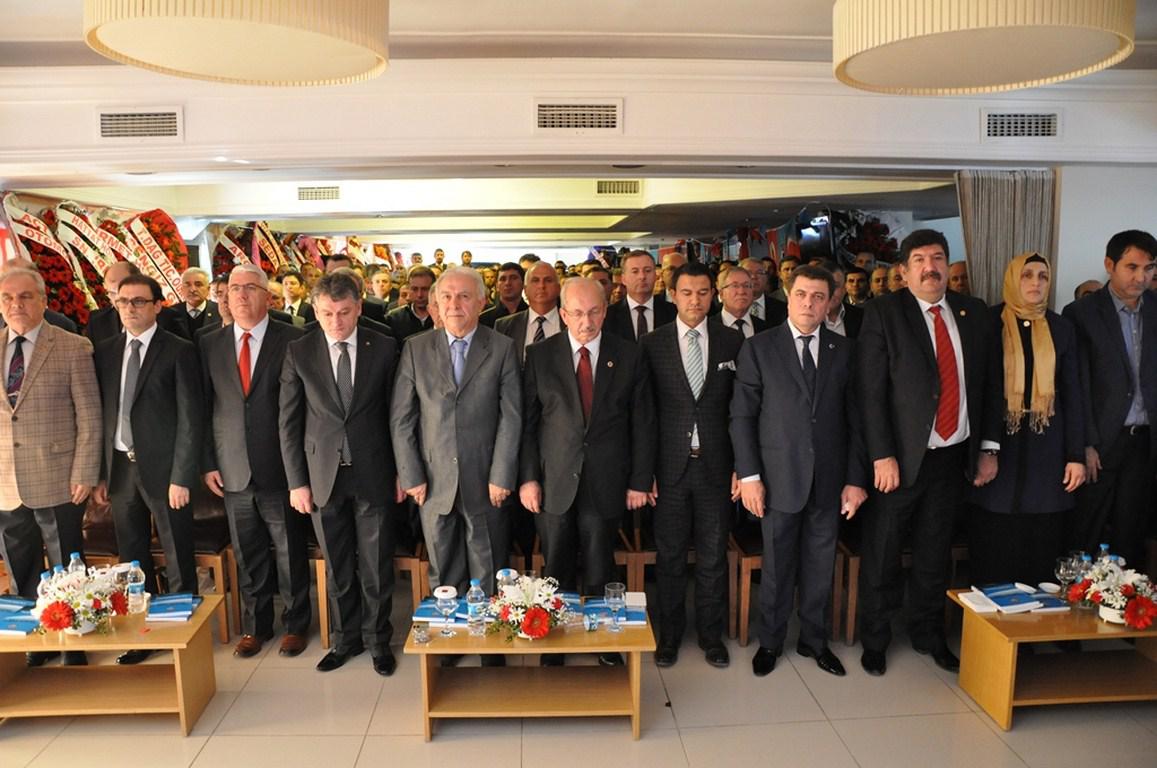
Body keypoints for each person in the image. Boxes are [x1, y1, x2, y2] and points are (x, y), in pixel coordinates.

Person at [855, 229, 995, 677]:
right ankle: (875, 639)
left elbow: (988, 385)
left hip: (952, 457)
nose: (930, 267)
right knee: (883, 553)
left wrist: (989, 447)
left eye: (937, 258)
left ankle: (928, 634)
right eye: (919, 259)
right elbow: (870, 392)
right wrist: (881, 455)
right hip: (898, 460)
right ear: (903, 270)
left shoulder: (973, 313)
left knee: (935, 554)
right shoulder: (883, 312)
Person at [733, 264, 867, 678]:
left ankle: (814, 640)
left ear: (830, 303)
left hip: (829, 479)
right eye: (802, 295)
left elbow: (857, 421)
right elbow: (742, 417)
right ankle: (770, 641)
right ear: (787, 297)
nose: (809, 303)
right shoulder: (759, 347)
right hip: (777, 479)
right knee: (777, 566)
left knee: (820, 565)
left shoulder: (845, 350)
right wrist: (750, 477)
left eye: (818, 297)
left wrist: (855, 479)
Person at [519, 277, 655, 667]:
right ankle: (553, 638)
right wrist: (528, 478)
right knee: (556, 566)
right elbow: (528, 424)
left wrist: (639, 481)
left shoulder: (628, 354)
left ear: (605, 311)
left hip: (607, 479)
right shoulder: (540, 355)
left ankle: (601, 640)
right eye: (577, 313)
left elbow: (643, 422)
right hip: (554, 481)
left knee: (600, 564)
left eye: (594, 312)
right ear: (563, 314)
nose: (586, 321)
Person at [391, 267, 521, 651]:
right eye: (446, 296)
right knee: (443, 569)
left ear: (481, 302)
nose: (454, 304)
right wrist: (411, 475)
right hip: (432, 482)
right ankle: (450, 644)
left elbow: (512, 417)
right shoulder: (416, 348)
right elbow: (402, 418)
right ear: (435, 303)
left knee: (488, 566)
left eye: (464, 296)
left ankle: (490, 646)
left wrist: (502, 474)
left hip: (486, 479)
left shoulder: (502, 348)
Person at [279, 270, 400, 677]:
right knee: (337, 565)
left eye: (345, 312)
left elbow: (398, 415)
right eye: (328, 313)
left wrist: (402, 471)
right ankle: (346, 640)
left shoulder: (384, 346)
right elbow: (288, 422)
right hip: (322, 475)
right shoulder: (300, 350)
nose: (336, 322)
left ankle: (378, 640)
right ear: (315, 311)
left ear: (359, 307)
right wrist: (297, 482)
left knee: (376, 565)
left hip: (374, 470)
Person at [93, 274, 204, 665]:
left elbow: (191, 418)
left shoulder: (179, 350)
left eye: (139, 301)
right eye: (123, 301)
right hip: (121, 469)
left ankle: (181, 636)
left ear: (158, 306)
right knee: (132, 558)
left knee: (177, 555)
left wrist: (182, 476)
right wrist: (102, 473)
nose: (130, 309)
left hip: (166, 471)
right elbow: (102, 414)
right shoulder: (105, 351)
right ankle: (142, 634)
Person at [202, 265, 311, 659]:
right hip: (231, 467)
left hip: (281, 466)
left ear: (268, 296)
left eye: (251, 288)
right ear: (225, 296)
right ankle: (256, 626)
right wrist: (208, 461)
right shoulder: (209, 343)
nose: (242, 295)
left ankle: (296, 624)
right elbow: (205, 406)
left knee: (289, 551)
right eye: (235, 288)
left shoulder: (295, 339)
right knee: (248, 554)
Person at [640, 263, 742, 669]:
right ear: (673, 295)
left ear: (713, 295)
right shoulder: (652, 343)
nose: (695, 300)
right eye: (686, 292)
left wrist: (742, 466)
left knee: (713, 556)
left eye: (703, 292)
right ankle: (669, 636)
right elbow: (645, 413)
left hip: (717, 466)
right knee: (670, 557)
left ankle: (711, 636)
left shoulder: (733, 341)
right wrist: (644, 472)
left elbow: (740, 410)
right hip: (669, 469)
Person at [0, 267, 101, 668]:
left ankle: (73, 642)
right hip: (6, 480)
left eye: (25, 296)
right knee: (19, 567)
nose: (16, 305)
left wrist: (85, 471)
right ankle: (33, 642)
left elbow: (90, 416)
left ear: (43, 301)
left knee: (66, 567)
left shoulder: (72, 346)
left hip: (59, 477)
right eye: (8, 298)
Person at [970, 253, 1085, 585]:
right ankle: (993, 615)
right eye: (1027, 275)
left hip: (1046, 450)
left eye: (1043, 276)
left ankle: (1035, 615)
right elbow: (980, 389)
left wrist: (1075, 455)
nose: (1036, 282)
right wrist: (986, 449)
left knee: (1041, 545)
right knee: (996, 544)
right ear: (1012, 279)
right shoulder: (989, 323)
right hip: (998, 447)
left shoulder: (1061, 328)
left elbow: (1072, 395)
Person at [1063, 230, 1157, 568]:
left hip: (1144, 440)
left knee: (1131, 532)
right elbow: (1076, 386)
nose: (1141, 277)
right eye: (1132, 267)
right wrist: (1085, 444)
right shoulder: (1082, 313)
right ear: (1109, 264)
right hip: (1101, 442)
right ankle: (1078, 595)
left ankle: (1124, 596)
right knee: (1085, 530)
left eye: (1149, 268)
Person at [86, 261, 186, 343]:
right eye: (111, 293)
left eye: (122, 290)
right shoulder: (97, 321)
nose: (117, 298)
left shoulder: (167, 318)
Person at [495, 261, 562, 364]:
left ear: (558, 288)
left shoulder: (571, 323)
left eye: (548, 280)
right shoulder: (504, 326)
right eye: (535, 280)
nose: (541, 286)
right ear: (525, 289)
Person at [603, 250, 676, 341]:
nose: (642, 276)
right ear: (623, 279)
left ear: (655, 276)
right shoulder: (608, 316)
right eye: (635, 271)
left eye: (647, 271)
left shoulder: (673, 313)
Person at [385, 266, 435, 345]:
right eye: (414, 289)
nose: (419, 295)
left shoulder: (443, 317)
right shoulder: (393, 318)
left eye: (425, 289)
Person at [715, 266, 768, 339]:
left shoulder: (766, 329)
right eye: (735, 286)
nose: (741, 291)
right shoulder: (707, 328)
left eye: (746, 286)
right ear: (721, 293)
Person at [171, 267, 220, 336]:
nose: (192, 289)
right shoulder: (171, 313)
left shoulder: (219, 311)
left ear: (208, 289)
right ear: (181, 289)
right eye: (187, 285)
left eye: (198, 285)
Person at [821, 261, 863, 338]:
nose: (830, 292)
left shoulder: (861, 316)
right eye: (824, 285)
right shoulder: (805, 317)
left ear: (845, 288)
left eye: (835, 286)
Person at [478, 262, 527, 328]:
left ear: (523, 283)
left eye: (513, 278)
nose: (507, 283)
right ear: (497, 286)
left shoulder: (534, 316)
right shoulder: (483, 320)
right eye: (503, 279)